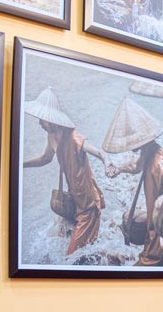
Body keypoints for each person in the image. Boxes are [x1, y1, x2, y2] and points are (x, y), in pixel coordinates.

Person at [22, 87, 111, 255]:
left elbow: (98, 152)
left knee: (71, 256)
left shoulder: (74, 138)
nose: (40, 123)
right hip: (73, 201)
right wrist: (20, 164)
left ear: (51, 119)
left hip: (87, 204)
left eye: (42, 119)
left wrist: (107, 162)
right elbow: (45, 158)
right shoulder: (52, 137)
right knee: (70, 247)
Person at [102, 97, 163, 266]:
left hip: (161, 236)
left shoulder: (158, 162)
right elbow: (137, 165)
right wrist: (118, 168)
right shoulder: (149, 151)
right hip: (156, 230)